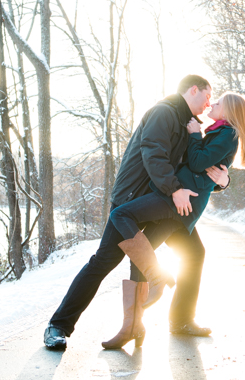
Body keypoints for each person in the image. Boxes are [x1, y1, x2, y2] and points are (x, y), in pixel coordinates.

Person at [43, 75, 229, 350]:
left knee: (193, 252)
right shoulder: (163, 112)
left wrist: (222, 183)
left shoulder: (189, 126)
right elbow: (152, 154)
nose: (209, 102)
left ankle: (175, 321)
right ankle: (58, 325)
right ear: (193, 90)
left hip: (163, 203)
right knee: (103, 262)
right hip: (133, 200)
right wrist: (175, 189)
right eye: (207, 95)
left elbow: (198, 168)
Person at [101, 92, 245, 349]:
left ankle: (155, 310)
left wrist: (196, 135)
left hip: (180, 202)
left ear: (229, 112)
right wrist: (220, 178)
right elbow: (205, 168)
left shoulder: (226, 134)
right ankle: (167, 319)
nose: (212, 103)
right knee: (184, 253)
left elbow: (198, 164)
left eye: (218, 103)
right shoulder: (220, 132)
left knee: (132, 232)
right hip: (181, 200)